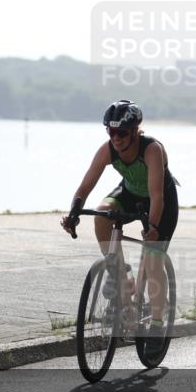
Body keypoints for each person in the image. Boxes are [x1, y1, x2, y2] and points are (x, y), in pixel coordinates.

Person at [61, 100, 179, 357]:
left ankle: (157, 326)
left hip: (161, 203)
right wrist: (73, 214)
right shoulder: (107, 150)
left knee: (152, 260)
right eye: (110, 132)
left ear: (135, 130)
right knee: (102, 215)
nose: (115, 138)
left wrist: (154, 228)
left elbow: (157, 196)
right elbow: (85, 187)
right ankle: (120, 276)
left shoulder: (152, 150)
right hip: (130, 193)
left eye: (121, 133)